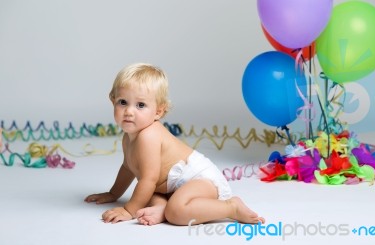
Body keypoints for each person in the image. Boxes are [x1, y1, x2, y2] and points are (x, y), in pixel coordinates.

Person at [85, 63, 264, 226]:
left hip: (202, 181)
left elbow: (149, 179)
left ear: (158, 111)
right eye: (122, 102)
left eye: (140, 105)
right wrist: (113, 193)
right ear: (113, 100)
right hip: (172, 187)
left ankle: (231, 207)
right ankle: (161, 208)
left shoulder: (149, 136)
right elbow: (128, 167)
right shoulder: (129, 136)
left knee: (175, 211)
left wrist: (129, 210)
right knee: (148, 196)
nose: (129, 111)